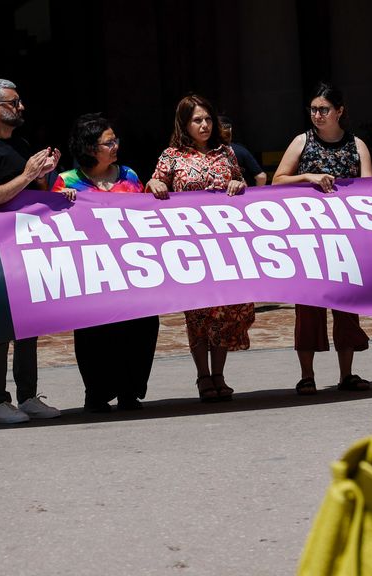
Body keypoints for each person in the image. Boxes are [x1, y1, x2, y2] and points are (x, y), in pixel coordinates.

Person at [0, 78, 65, 424]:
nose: (20, 107)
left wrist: (47, 178)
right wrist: (27, 175)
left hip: (28, 246)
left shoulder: (19, 143)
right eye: (13, 102)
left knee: (29, 325)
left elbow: (34, 189)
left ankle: (28, 395)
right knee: (1, 328)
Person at [146, 94, 252, 403]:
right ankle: (203, 376)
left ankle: (219, 374)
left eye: (207, 119)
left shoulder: (226, 153)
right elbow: (154, 183)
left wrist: (238, 185)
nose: (204, 125)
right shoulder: (172, 156)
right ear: (184, 124)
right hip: (189, 247)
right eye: (197, 120)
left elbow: (241, 182)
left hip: (223, 245)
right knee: (198, 314)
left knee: (224, 310)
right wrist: (155, 185)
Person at [51, 113, 159, 412]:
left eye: (115, 141)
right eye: (108, 142)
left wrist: (155, 190)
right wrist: (62, 203)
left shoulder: (130, 176)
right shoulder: (67, 181)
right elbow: (51, 226)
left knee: (140, 329)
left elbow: (145, 215)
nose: (115, 146)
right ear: (89, 148)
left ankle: (130, 391)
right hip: (92, 272)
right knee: (94, 334)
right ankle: (96, 393)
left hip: (132, 270)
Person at [272, 82, 372, 396]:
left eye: (324, 109)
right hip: (308, 238)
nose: (317, 115)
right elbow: (277, 180)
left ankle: (347, 373)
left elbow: (371, 190)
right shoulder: (302, 142)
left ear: (339, 111)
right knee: (308, 307)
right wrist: (308, 177)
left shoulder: (357, 145)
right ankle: (307, 375)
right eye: (314, 109)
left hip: (345, 238)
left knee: (346, 306)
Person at [218, 115, 267, 186]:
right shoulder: (240, 150)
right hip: (242, 195)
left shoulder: (203, 153)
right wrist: (255, 194)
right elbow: (261, 177)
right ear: (230, 130)